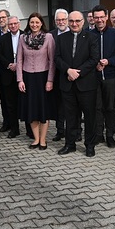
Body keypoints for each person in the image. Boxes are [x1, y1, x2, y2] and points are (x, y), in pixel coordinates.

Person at [54, 11, 100, 157]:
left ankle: (90, 145)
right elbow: (57, 58)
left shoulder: (92, 37)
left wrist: (77, 72)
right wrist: (68, 70)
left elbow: (94, 59)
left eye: (77, 21)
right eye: (71, 21)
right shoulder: (61, 38)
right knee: (70, 116)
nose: (74, 24)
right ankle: (70, 144)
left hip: (86, 84)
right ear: (68, 22)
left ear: (83, 21)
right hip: (68, 84)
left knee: (89, 116)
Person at [17, 12, 56, 150]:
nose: (34, 25)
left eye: (37, 22)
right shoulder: (22, 38)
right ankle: (36, 139)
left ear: (41, 24)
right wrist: (20, 80)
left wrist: (50, 80)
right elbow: (19, 59)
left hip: (43, 77)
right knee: (31, 109)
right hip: (28, 77)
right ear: (29, 23)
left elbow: (52, 60)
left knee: (43, 109)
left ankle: (43, 140)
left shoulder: (48, 37)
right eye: (32, 22)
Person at [91, 5, 115, 149]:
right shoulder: (89, 34)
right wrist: (95, 65)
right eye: (96, 17)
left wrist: (109, 61)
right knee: (97, 107)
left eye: (101, 17)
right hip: (93, 77)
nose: (99, 20)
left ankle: (110, 134)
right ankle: (99, 134)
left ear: (106, 17)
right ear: (93, 18)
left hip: (110, 76)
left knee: (110, 107)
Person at [0, 16, 21, 138]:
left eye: (15, 23)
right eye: (10, 24)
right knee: (10, 104)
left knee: (24, 102)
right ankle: (14, 128)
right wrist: (9, 65)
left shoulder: (25, 36)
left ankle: (29, 129)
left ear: (19, 24)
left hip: (23, 75)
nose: (12, 26)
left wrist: (19, 65)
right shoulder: (3, 39)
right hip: (8, 74)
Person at [49, 8, 70, 142]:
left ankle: (75, 131)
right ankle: (60, 130)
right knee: (58, 105)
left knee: (73, 105)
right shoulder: (50, 35)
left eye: (63, 19)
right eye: (58, 20)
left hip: (71, 75)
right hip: (56, 75)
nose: (61, 22)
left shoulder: (76, 32)